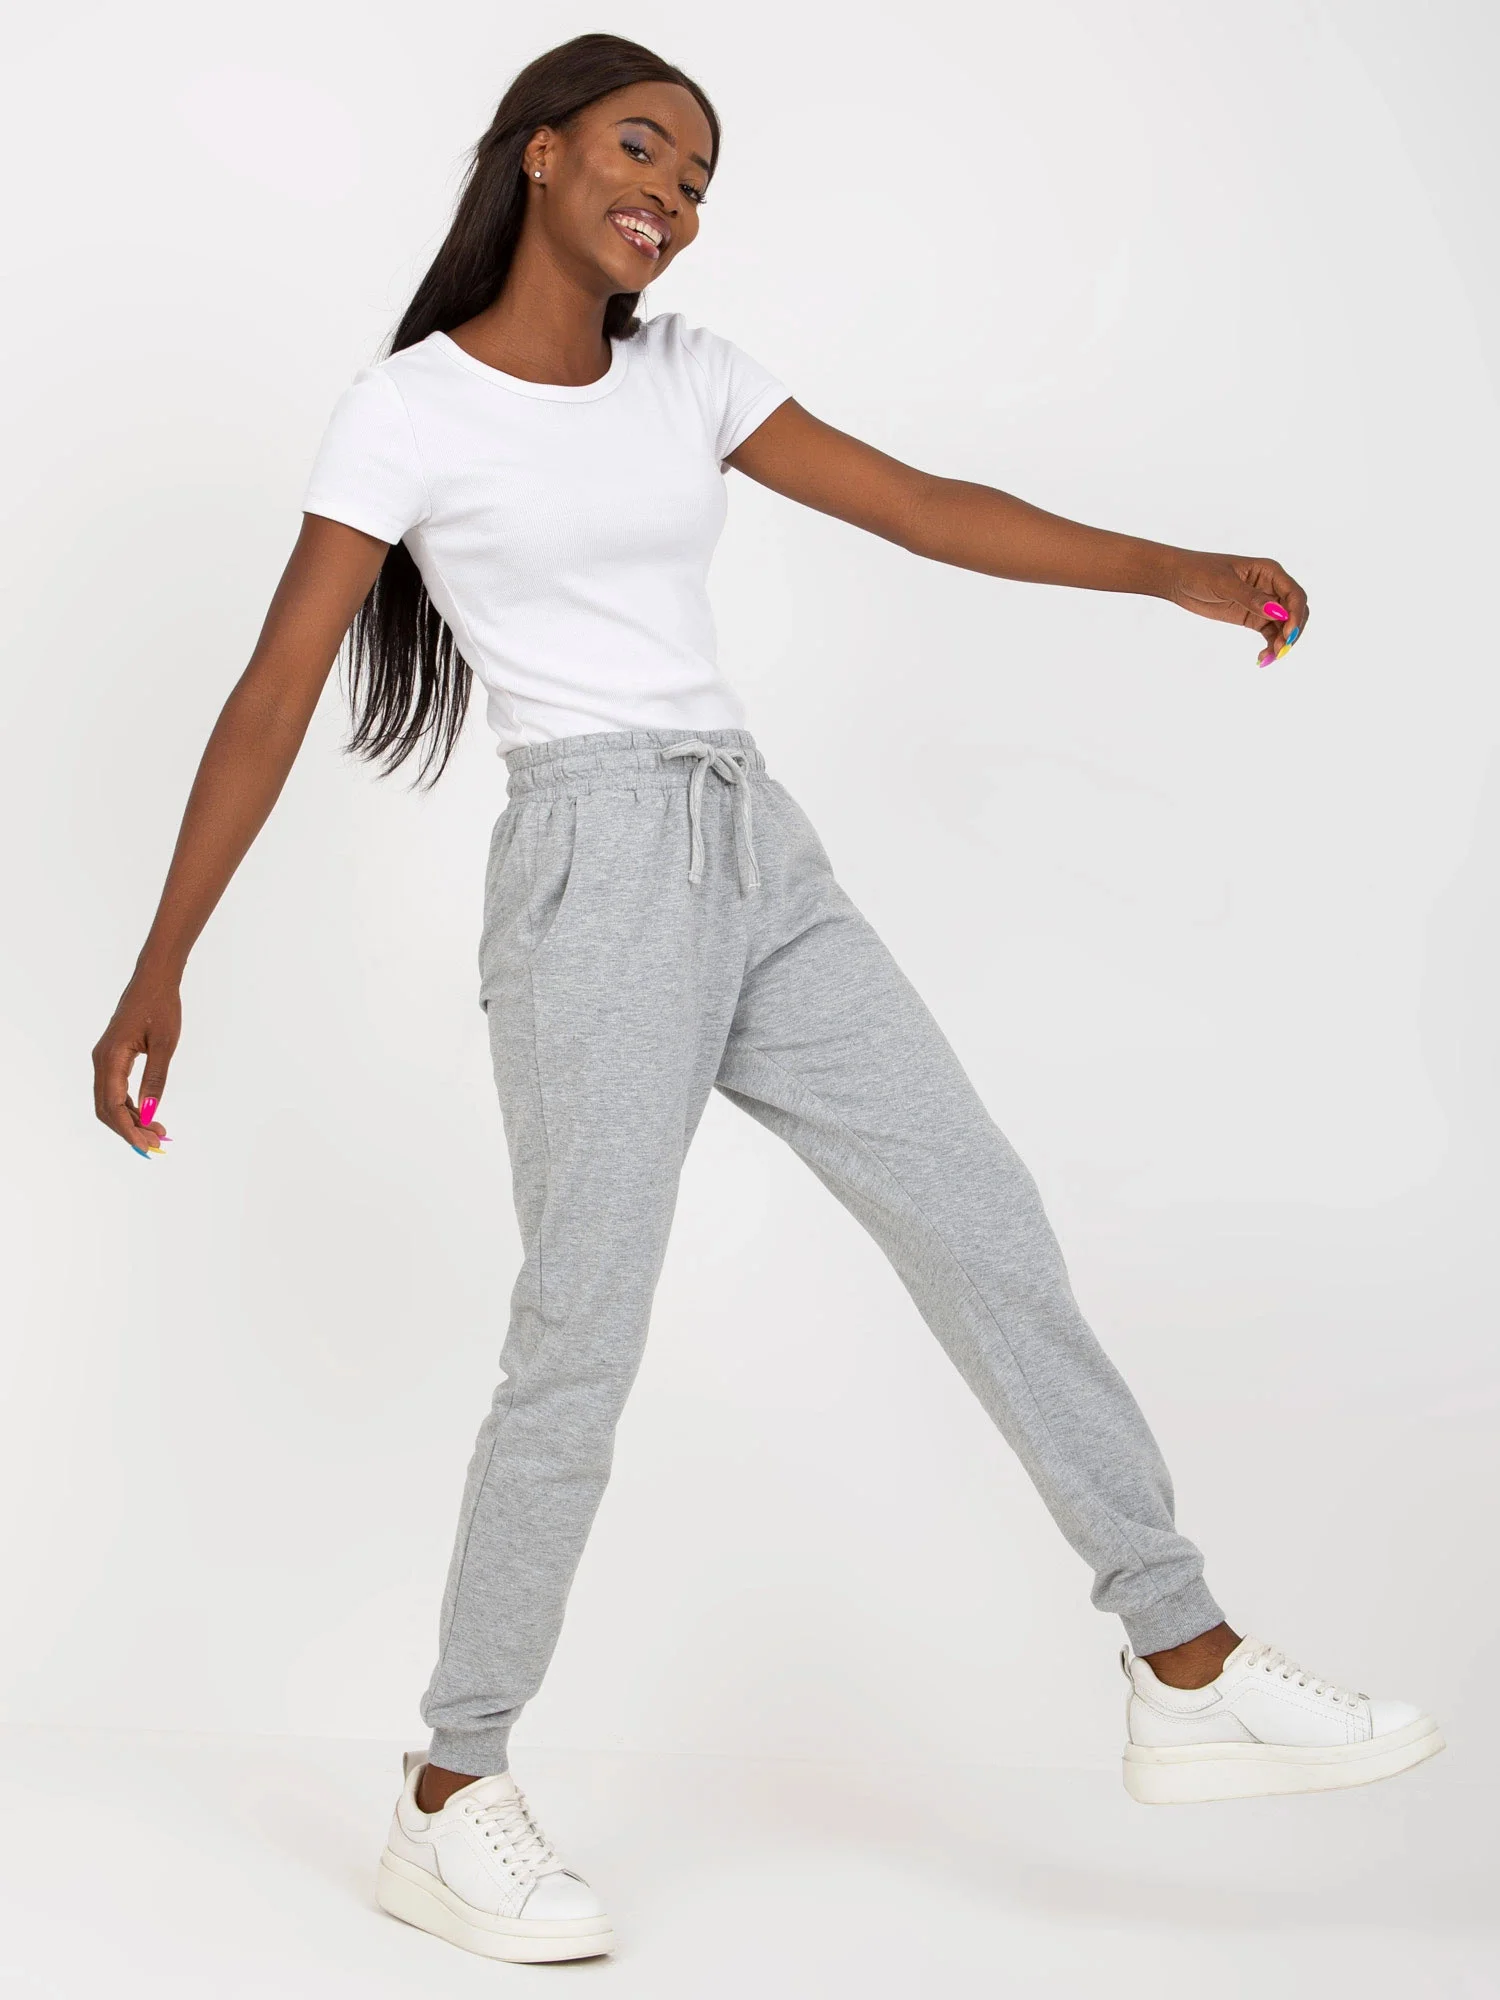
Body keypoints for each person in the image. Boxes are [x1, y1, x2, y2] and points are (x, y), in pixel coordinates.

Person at [92, 31, 1443, 1968]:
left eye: (700, 176)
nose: (673, 194)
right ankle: (452, 1789)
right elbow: (272, 691)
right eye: (643, 147)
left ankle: (1183, 1653)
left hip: (755, 848)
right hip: (593, 876)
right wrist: (163, 961)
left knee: (980, 1213)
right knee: (581, 1340)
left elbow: (919, 506)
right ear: (540, 153)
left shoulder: (691, 376)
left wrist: (1177, 571)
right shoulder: (408, 410)